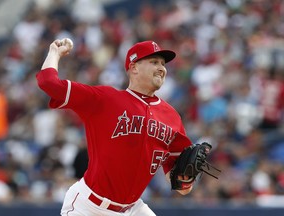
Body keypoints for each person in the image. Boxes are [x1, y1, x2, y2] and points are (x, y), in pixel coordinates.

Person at [36, 39, 195, 216]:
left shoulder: (172, 117)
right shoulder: (105, 99)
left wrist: (186, 179)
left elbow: (181, 186)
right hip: (89, 207)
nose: (161, 68)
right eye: (154, 62)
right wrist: (54, 53)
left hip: (133, 209)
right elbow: (48, 83)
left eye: (163, 64)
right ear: (134, 67)